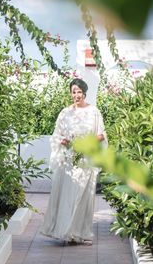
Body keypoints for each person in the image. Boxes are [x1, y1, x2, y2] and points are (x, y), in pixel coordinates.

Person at [40, 77, 107, 245]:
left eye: (79, 92)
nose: (76, 95)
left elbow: (101, 135)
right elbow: (57, 135)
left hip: (86, 159)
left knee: (84, 196)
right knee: (68, 196)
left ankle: (82, 234)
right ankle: (65, 231)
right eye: (73, 92)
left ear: (84, 92)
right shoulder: (65, 113)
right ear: (70, 94)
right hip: (68, 161)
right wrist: (64, 142)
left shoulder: (94, 112)